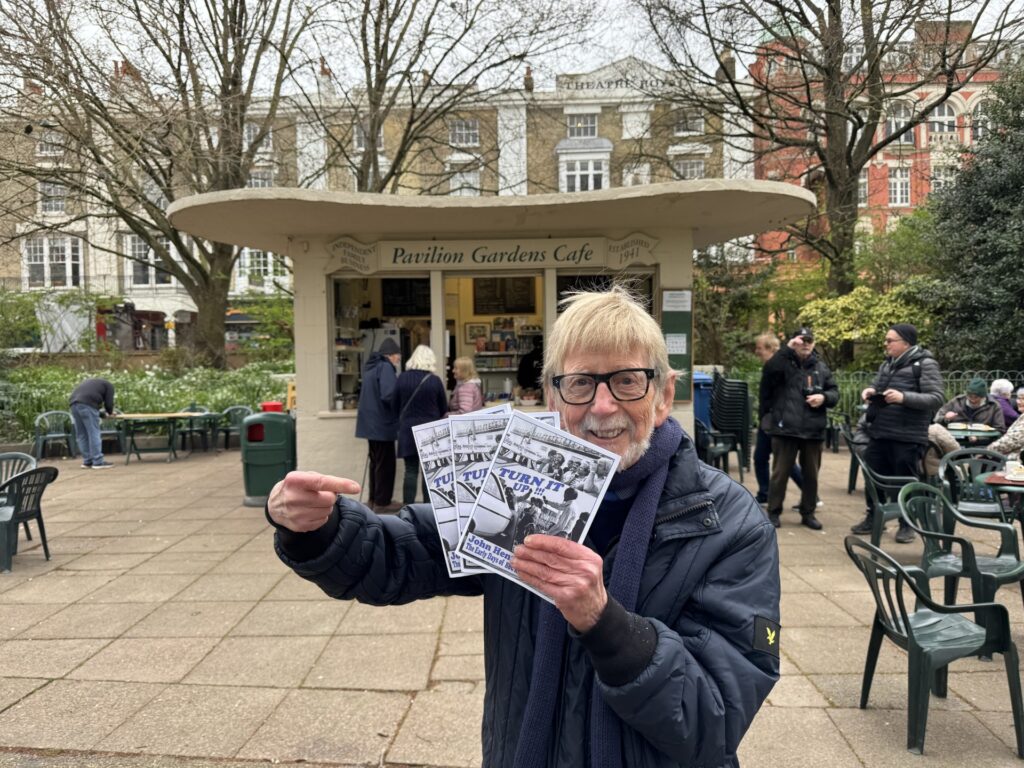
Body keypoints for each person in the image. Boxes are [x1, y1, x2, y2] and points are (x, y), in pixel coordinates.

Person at [266, 285, 780, 767]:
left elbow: (716, 719)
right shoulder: (514, 485)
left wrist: (607, 624)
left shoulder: (730, 525)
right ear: (554, 399)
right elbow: (401, 553)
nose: (603, 407)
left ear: (663, 395)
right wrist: (320, 528)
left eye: (627, 381)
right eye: (580, 383)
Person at [852, 323, 944, 544]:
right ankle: (874, 517)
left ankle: (906, 524)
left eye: (890, 340)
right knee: (873, 478)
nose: (886, 344)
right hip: (880, 432)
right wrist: (871, 390)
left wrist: (904, 398)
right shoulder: (888, 364)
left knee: (904, 481)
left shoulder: (925, 365)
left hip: (907, 436)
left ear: (906, 343)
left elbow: (936, 398)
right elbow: (877, 385)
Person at [758, 327, 838, 530]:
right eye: (801, 340)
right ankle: (774, 512)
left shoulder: (820, 367)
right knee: (780, 474)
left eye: (809, 340)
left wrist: (824, 397)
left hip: (813, 429)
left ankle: (808, 512)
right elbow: (769, 372)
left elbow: (834, 392)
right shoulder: (782, 363)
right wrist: (787, 348)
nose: (805, 344)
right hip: (786, 428)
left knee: (811, 475)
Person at [752, 332, 807, 506]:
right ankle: (765, 493)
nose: (757, 351)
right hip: (769, 418)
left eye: (760, 348)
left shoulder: (778, 365)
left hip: (775, 420)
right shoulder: (776, 364)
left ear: (770, 348)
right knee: (764, 458)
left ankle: (809, 493)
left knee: (782, 461)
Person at [395, 345, 449, 505]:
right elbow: (443, 408)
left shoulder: (402, 378)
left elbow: (394, 404)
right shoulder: (434, 381)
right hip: (430, 431)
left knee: (410, 470)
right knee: (428, 472)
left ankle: (408, 508)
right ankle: (427, 509)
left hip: (407, 430)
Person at [354, 337, 401, 513]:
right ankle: (382, 502)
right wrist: (401, 405)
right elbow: (389, 395)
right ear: (390, 355)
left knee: (376, 463)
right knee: (386, 465)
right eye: (397, 356)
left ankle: (373, 499)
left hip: (370, 425)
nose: (398, 359)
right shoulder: (386, 368)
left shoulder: (371, 368)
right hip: (382, 425)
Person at [69, 377, 116, 469]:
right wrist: (110, 412)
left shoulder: (91, 384)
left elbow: (91, 406)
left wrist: (103, 414)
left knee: (82, 434)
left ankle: (87, 461)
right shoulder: (109, 386)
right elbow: (108, 403)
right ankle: (98, 462)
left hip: (74, 404)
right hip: (86, 404)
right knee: (93, 433)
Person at [935, 377, 1006, 433]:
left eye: (976, 397)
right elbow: (936, 419)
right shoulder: (957, 401)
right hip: (956, 439)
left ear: (983, 396)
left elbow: (1000, 429)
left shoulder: (994, 406)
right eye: (970, 396)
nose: (973, 400)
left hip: (983, 443)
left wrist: (979, 437)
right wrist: (946, 418)